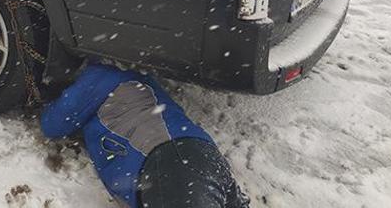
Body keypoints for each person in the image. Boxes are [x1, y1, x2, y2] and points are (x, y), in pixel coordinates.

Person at [41, 59, 250, 208]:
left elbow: (52, 124)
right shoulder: (138, 74)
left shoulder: (98, 76)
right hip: (201, 153)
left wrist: (57, 94)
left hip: (168, 165)